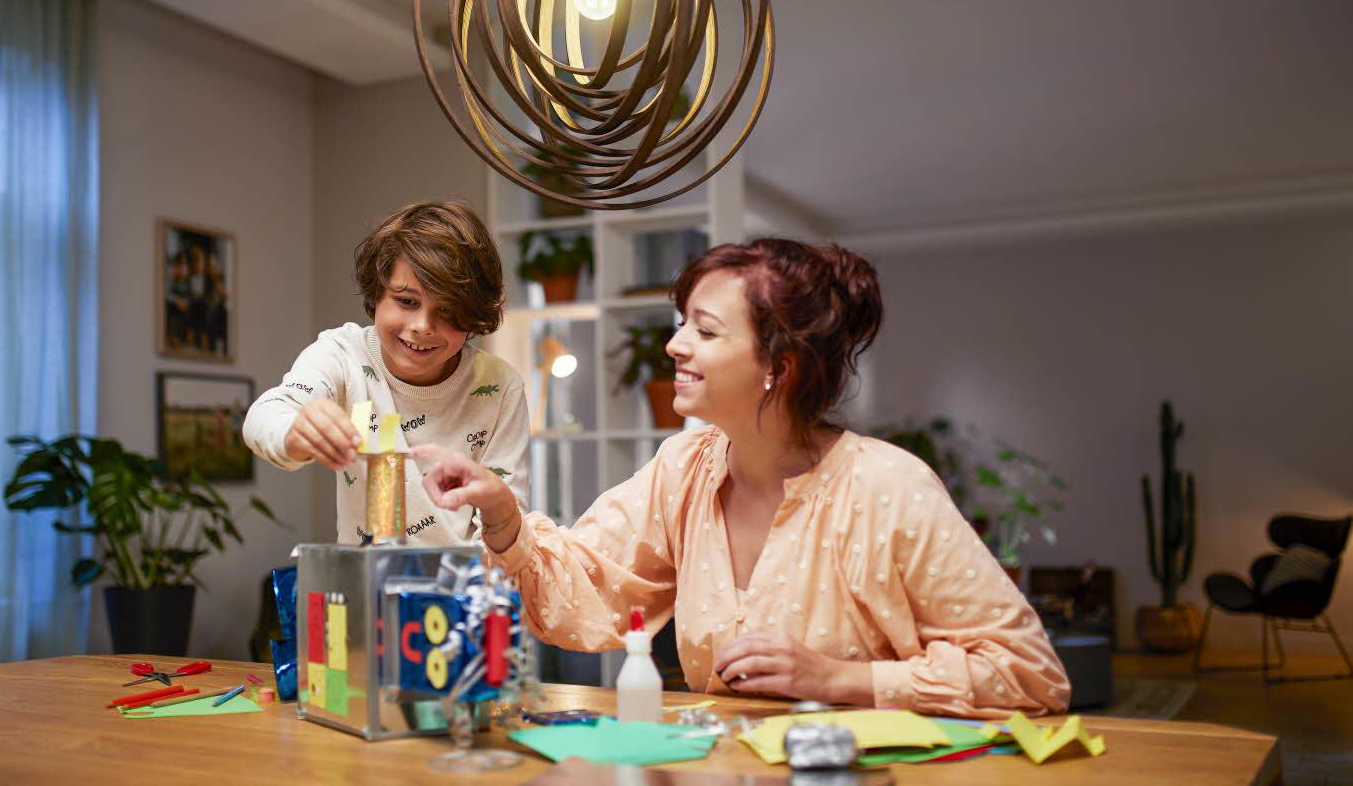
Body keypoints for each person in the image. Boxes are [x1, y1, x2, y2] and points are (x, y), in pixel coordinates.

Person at [414, 238, 1070, 716]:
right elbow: (587, 593)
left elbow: (1030, 675)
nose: (674, 346)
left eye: (704, 330)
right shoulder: (686, 468)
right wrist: (501, 514)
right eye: (681, 326)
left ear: (778, 366)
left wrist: (839, 679)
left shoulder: (888, 487)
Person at [244, 201, 530, 545]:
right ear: (377, 292)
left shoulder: (500, 386)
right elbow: (265, 415)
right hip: (365, 588)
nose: (423, 326)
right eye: (407, 302)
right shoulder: (342, 354)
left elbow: (509, 526)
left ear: (473, 315)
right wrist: (295, 433)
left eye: (450, 310)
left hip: (464, 591)